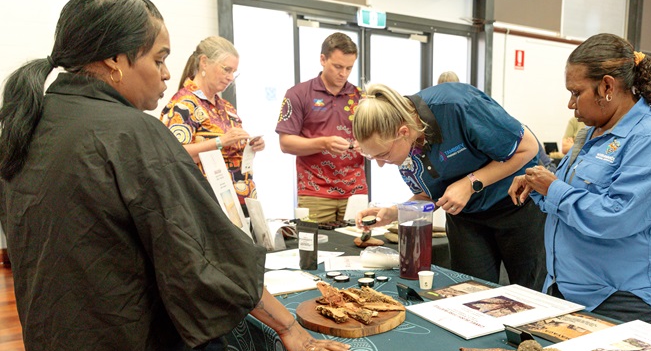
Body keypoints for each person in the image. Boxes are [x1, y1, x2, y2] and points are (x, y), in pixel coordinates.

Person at [0, 0, 350, 351]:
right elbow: (205, 261)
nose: (167, 72)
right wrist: (289, 325)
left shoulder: (29, 124)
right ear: (116, 60)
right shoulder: (131, 133)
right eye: (160, 58)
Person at [509, 33, 651, 328]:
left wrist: (553, 189)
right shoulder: (590, 133)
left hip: (622, 297)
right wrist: (538, 186)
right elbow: (568, 198)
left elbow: (617, 217)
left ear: (607, 86)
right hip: (569, 287)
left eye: (576, 92)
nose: (570, 103)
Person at [353, 81, 547, 290]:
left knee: (530, 292)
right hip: (466, 216)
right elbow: (429, 196)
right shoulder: (404, 147)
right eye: (372, 157)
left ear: (403, 132)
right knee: (471, 294)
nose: (381, 164)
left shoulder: (458, 106)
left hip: (516, 206)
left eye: (383, 155)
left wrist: (470, 183)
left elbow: (528, 148)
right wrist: (393, 213)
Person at [161, 35, 264, 209]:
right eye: (226, 69)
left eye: (233, 72)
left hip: (239, 202)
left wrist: (251, 145)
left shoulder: (227, 108)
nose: (230, 77)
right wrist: (219, 142)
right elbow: (173, 154)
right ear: (204, 62)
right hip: (206, 205)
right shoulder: (184, 105)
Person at [276, 32, 366, 223]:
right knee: (315, 250)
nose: (344, 74)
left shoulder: (361, 97)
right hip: (314, 191)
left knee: (357, 245)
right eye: (338, 66)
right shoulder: (298, 94)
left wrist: (366, 146)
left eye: (349, 68)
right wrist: (323, 143)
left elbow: (377, 140)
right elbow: (285, 143)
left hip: (356, 191)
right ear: (322, 59)